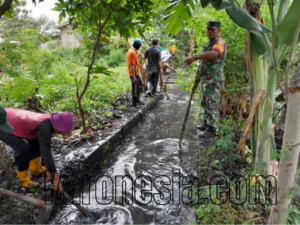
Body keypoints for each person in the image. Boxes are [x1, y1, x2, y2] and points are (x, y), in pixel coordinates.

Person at [0, 108, 74, 191]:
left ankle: (35, 168)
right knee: (23, 149)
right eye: (61, 131)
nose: (61, 133)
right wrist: (55, 175)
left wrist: (49, 168)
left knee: (37, 142)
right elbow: (46, 153)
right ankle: (24, 180)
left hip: (12, 117)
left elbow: (43, 146)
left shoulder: (48, 121)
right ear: (56, 125)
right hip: (3, 123)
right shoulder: (44, 127)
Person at [184, 20, 227, 138]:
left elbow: (214, 54)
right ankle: (206, 124)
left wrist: (195, 56)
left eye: (213, 30)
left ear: (218, 30)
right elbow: (202, 64)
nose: (210, 32)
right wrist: (196, 83)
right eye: (208, 29)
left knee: (212, 104)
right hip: (205, 80)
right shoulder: (207, 45)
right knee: (205, 103)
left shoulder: (220, 42)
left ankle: (212, 129)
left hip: (214, 80)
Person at [127, 38, 145, 107]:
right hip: (133, 73)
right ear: (137, 45)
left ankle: (137, 100)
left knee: (139, 85)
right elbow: (131, 65)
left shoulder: (133, 51)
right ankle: (134, 104)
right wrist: (134, 76)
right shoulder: (132, 52)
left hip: (136, 72)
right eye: (139, 46)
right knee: (135, 88)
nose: (140, 47)